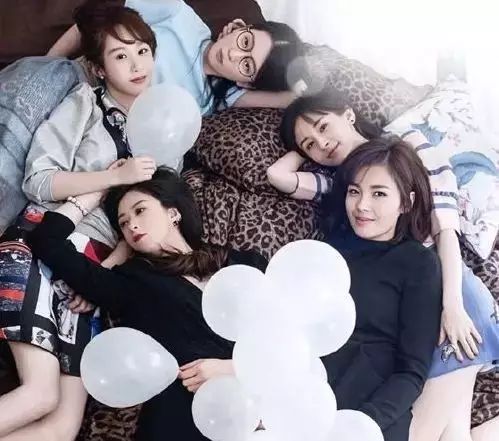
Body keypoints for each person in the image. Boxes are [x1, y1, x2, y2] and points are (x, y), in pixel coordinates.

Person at [267, 88, 499, 441]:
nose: (322, 144)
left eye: (323, 126)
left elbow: (446, 229)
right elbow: (280, 176)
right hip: (412, 298)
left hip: (452, 287)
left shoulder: (407, 143)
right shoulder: (341, 183)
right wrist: (303, 142)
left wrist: (452, 304)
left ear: (348, 114)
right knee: (455, 433)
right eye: (310, 144)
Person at [0, 5, 159, 440]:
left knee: (64, 426)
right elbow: (39, 180)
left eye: (142, 51)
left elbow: (147, 220)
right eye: (120, 55)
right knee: (39, 395)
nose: (136, 64)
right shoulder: (85, 104)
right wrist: (113, 177)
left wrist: (102, 275)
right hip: (40, 239)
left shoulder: (166, 128)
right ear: (99, 68)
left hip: (90, 272)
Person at [26, 167, 267, 441]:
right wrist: (103, 186)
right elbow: (47, 241)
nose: (132, 226)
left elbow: (292, 334)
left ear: (173, 213)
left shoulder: (244, 265)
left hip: (277, 404)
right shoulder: (132, 282)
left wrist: (234, 368)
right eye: (123, 223)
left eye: (140, 211)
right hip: (189, 419)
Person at [322, 137, 442, 441]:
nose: (362, 205)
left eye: (379, 193)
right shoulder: (326, 252)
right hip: (308, 391)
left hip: (371, 405)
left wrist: (361, 424)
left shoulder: (418, 263)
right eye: (354, 191)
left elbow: (411, 372)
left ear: (406, 203)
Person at [48, 0, 305, 115]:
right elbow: (94, 25)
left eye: (247, 64)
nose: (233, 54)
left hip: (99, 128)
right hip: (72, 81)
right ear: (238, 26)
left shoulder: (215, 98)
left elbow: (294, 97)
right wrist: (49, 64)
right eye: (245, 42)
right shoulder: (178, 15)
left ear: (246, 82)